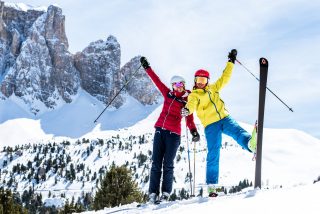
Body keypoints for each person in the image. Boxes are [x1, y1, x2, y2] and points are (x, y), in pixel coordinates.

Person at [181, 49, 257, 197]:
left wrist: (231, 62)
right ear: (195, 81)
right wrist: (186, 110)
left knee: (237, 131)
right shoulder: (194, 95)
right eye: (198, 80)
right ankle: (212, 185)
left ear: (207, 81)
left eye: (203, 81)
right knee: (214, 153)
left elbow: (225, 77)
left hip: (224, 118)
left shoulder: (214, 89)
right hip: (211, 125)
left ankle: (250, 144)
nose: (201, 83)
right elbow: (191, 105)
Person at [140, 56, 200, 203]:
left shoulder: (187, 100)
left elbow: (190, 119)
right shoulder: (167, 93)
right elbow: (156, 80)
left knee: (168, 164)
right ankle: (152, 194)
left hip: (173, 135)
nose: (179, 86)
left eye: (181, 84)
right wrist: (147, 67)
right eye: (176, 84)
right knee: (156, 163)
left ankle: (165, 193)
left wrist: (193, 131)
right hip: (160, 131)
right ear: (172, 85)